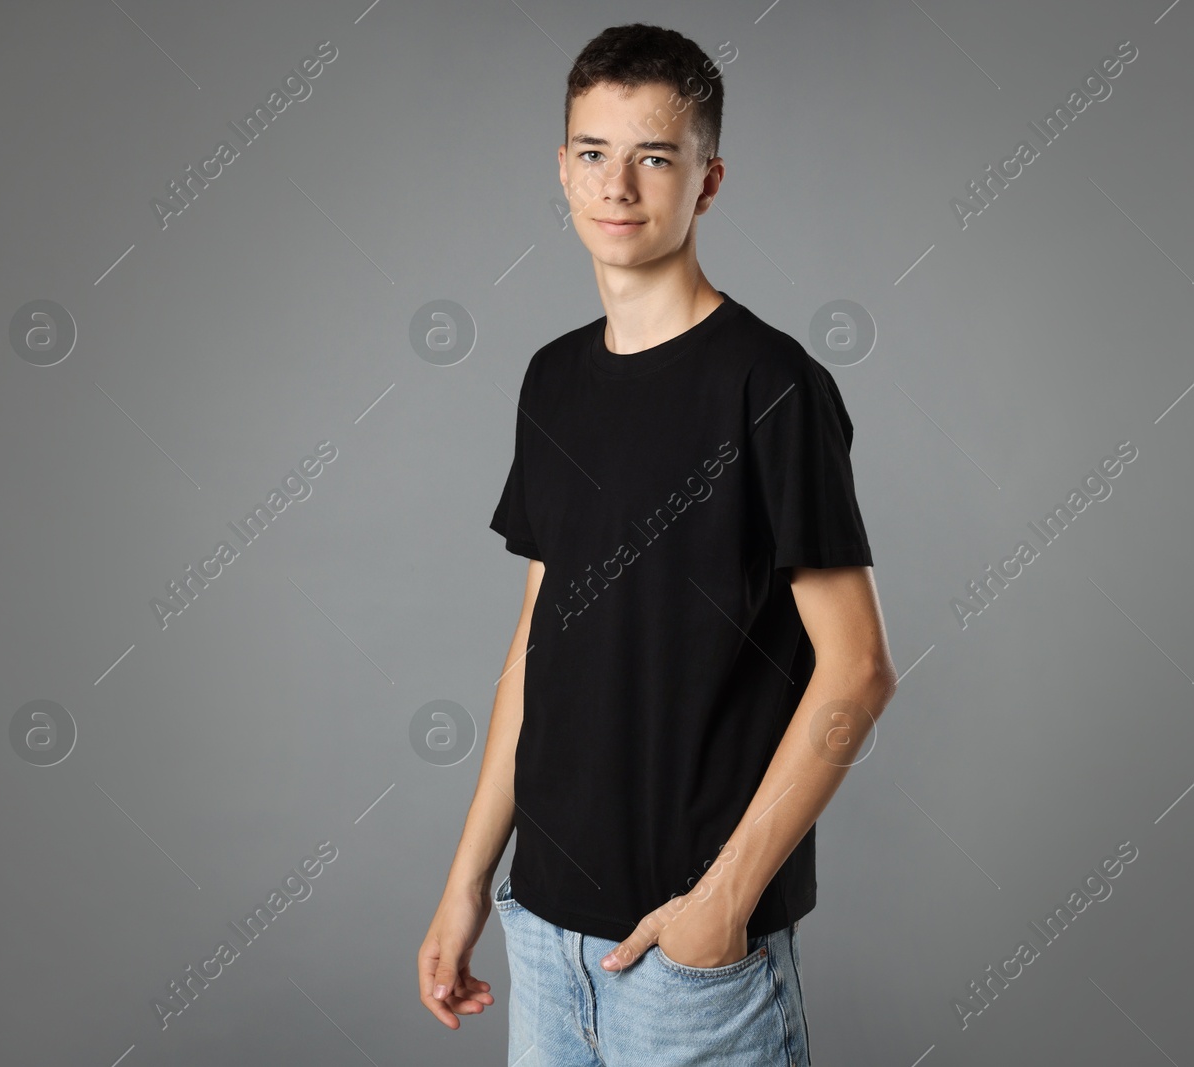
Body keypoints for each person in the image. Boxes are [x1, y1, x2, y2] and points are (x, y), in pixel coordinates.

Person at [417, 22, 898, 1066]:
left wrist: (718, 906)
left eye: (655, 157)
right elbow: (537, 644)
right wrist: (466, 884)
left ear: (707, 180)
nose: (618, 186)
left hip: (691, 959)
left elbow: (857, 671)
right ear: (562, 168)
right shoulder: (551, 381)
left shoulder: (770, 387)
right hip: (541, 936)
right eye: (593, 153)